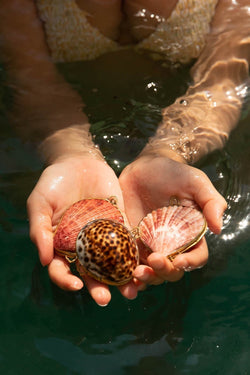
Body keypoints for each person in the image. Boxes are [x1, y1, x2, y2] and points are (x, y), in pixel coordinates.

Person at [0, 0, 249, 306]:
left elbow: (223, 84)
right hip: (58, 137)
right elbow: (33, 84)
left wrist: (169, 150)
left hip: (180, 141)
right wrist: (70, 150)